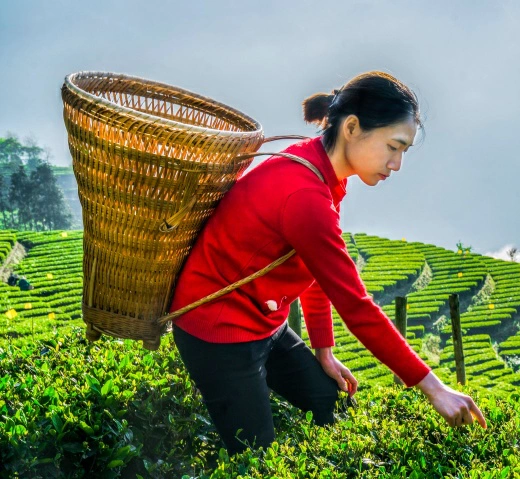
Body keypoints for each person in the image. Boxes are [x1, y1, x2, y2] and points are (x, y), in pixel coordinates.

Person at [169, 71, 486, 454]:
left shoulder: (323, 172)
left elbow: (310, 270)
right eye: (393, 146)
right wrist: (433, 387)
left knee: (333, 404)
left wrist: (324, 350)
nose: (397, 164)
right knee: (257, 461)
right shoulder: (305, 194)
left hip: (266, 324)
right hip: (220, 332)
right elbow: (356, 306)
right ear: (352, 127)